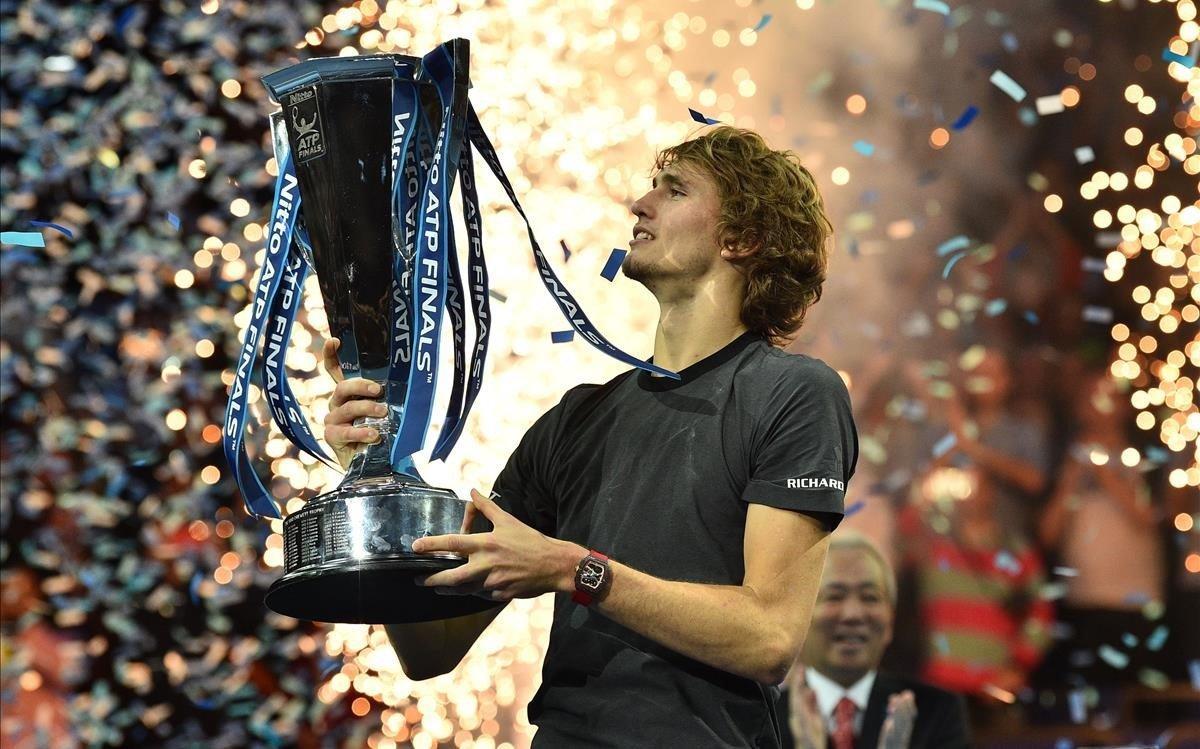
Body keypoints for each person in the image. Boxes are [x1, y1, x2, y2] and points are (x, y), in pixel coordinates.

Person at [321, 126, 858, 746]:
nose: (640, 205)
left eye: (675, 191)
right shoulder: (574, 420)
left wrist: (574, 570)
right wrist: (371, 475)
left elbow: (768, 639)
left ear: (742, 238)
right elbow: (431, 649)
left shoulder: (794, 392)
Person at [778, 533, 970, 749]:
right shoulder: (765, 717)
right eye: (834, 596)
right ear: (800, 616)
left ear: (890, 622)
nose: (853, 614)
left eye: (870, 597)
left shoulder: (935, 712)